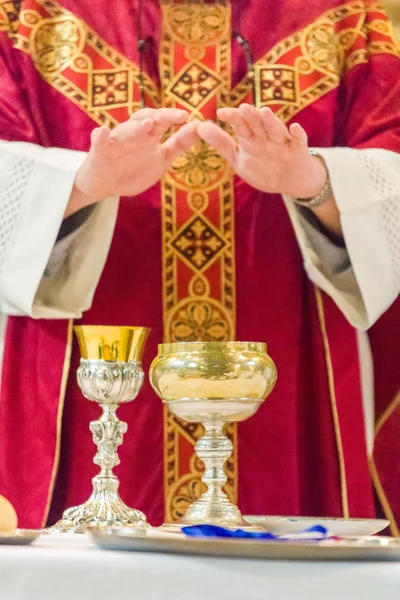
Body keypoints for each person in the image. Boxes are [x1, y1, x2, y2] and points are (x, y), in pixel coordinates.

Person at [0, 0, 399, 532]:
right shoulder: (31, 14)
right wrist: (81, 184)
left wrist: (317, 182)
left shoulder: (343, 13)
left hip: (289, 358)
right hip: (89, 360)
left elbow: (388, 157)